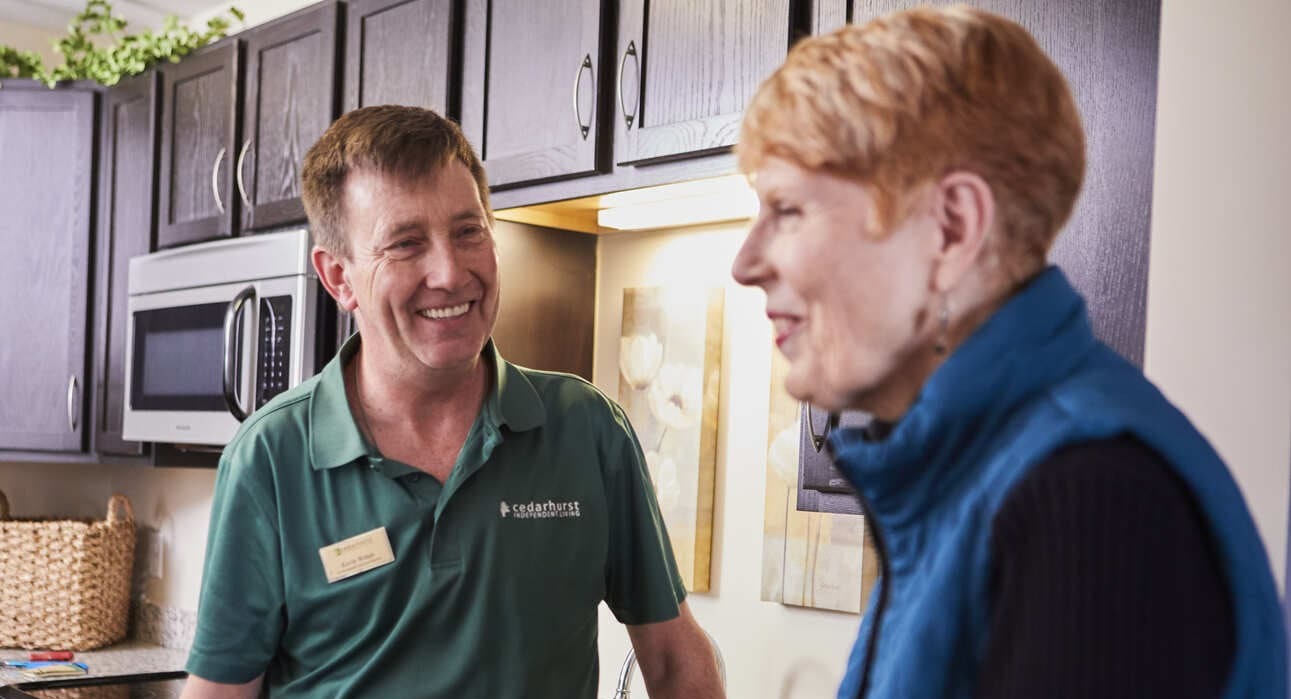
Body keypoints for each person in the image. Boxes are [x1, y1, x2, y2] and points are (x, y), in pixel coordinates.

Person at [731, 6, 1285, 699]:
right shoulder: (966, 483)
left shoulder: (1091, 502)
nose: (744, 262)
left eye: (786, 210)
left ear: (952, 229)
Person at [180, 105, 725, 699]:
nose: (449, 271)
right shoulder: (271, 456)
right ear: (338, 277)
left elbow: (672, 660)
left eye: (469, 231)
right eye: (406, 243)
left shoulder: (586, 428)